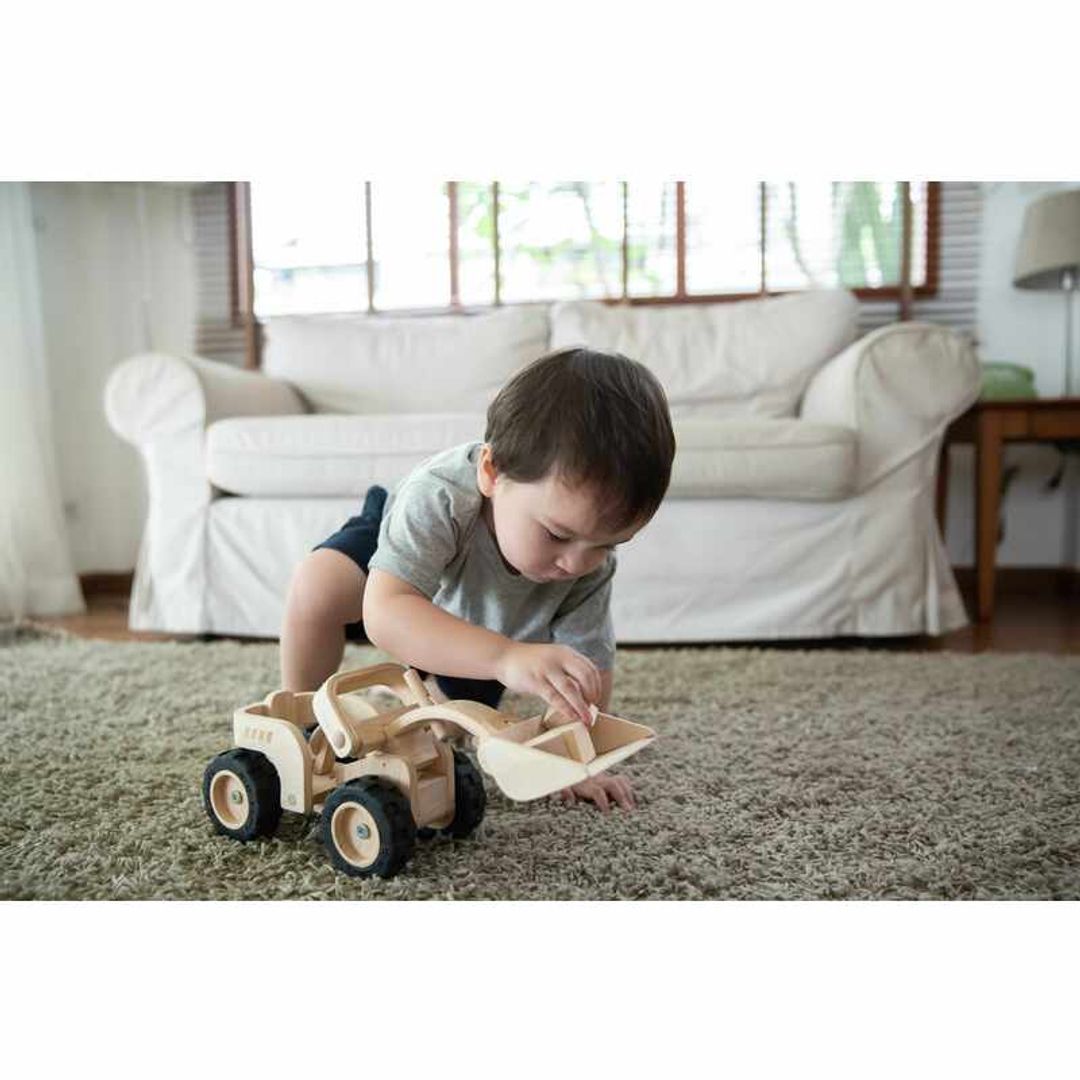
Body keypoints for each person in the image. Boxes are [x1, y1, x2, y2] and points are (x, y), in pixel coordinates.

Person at [279, 346, 675, 810]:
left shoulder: (587, 564)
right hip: (404, 573)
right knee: (316, 585)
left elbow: (588, 673)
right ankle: (301, 716)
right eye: (557, 534)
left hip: (486, 622)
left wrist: (578, 759)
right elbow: (385, 613)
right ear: (492, 472)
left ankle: (429, 691)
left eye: (608, 544)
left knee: (446, 726)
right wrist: (507, 658)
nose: (576, 563)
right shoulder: (440, 496)